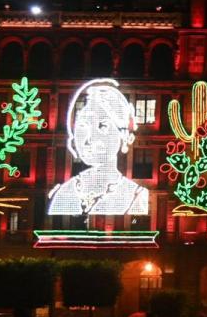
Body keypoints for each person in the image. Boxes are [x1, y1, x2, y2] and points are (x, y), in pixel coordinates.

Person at [48, 78, 149, 216]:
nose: (90, 138)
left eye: (103, 126)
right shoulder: (63, 193)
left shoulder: (135, 195)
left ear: (123, 135)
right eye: (83, 126)